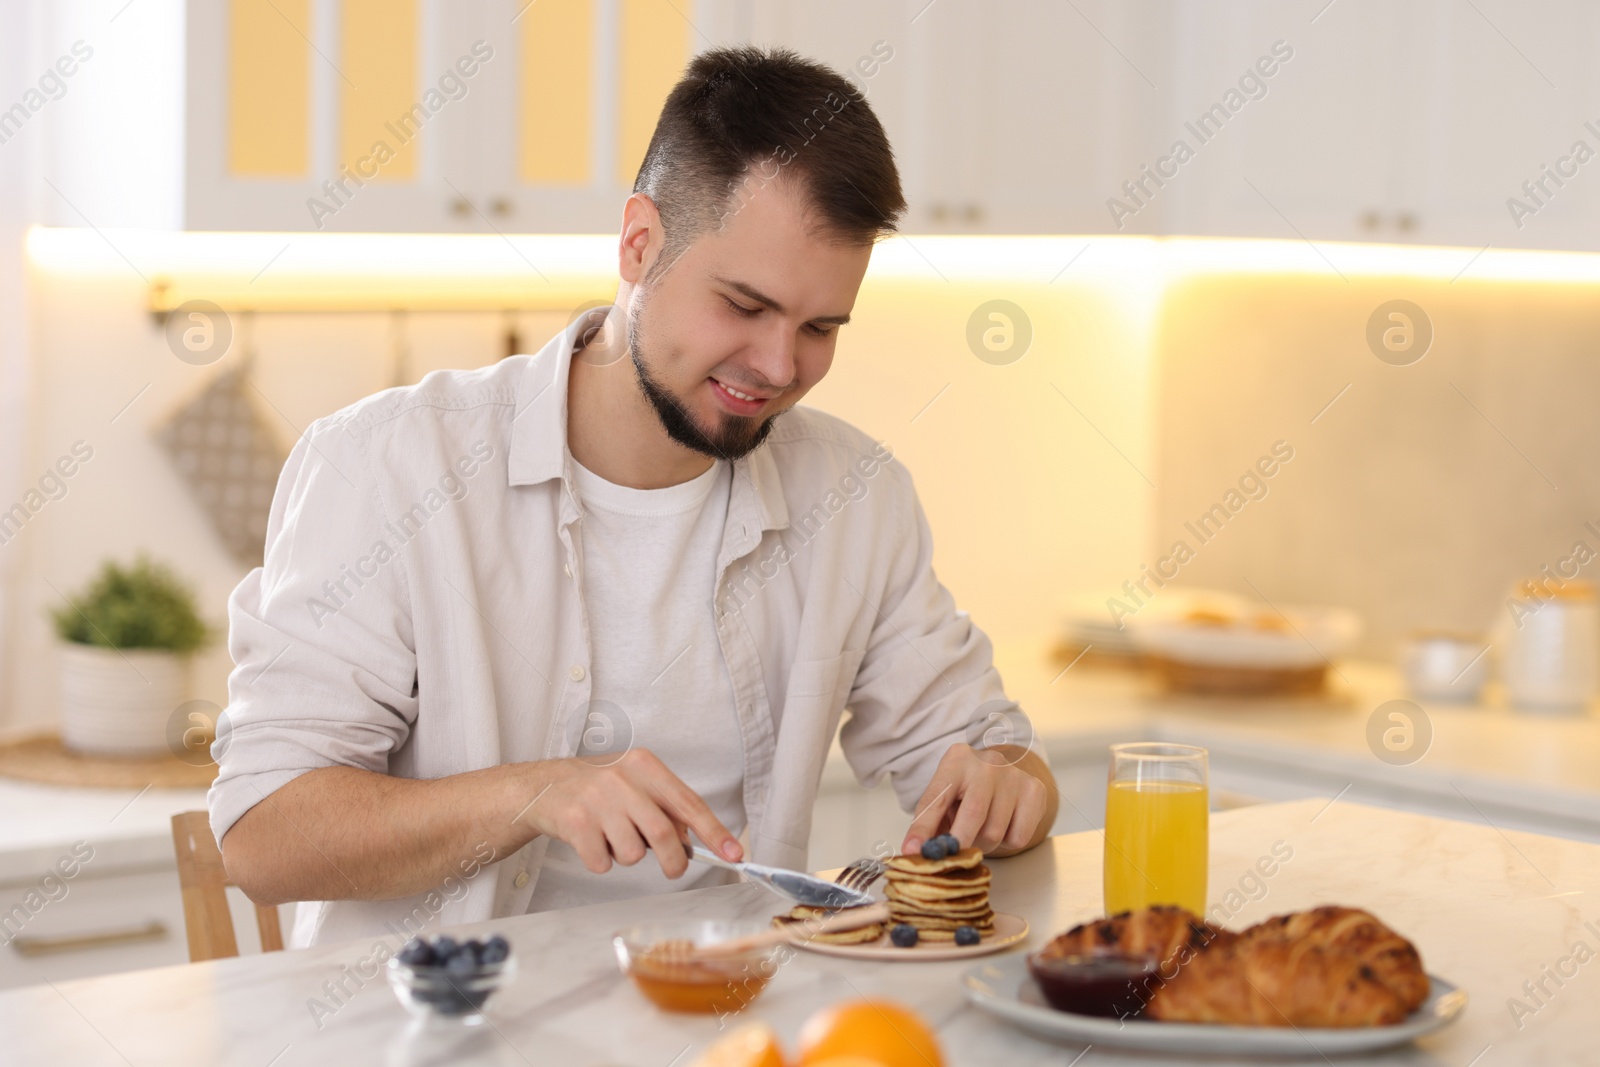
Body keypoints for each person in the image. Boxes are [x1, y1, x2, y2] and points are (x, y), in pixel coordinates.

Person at [212, 46, 1058, 946]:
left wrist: (1010, 784)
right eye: (742, 304)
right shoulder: (384, 468)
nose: (779, 367)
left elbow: (991, 752)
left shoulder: (856, 499)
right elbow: (263, 833)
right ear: (639, 243)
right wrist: (534, 793)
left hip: (732, 1023)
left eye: (819, 328)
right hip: (434, 1036)